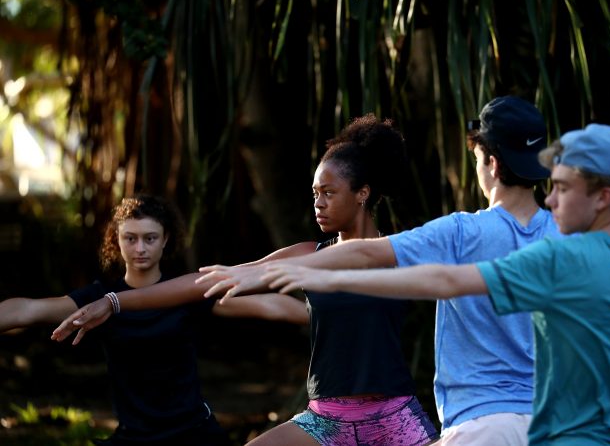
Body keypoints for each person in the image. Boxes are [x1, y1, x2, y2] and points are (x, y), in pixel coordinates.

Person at [260, 124, 610, 445]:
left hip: (490, 426)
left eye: (563, 188)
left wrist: (315, 273)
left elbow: (443, 278)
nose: (551, 198)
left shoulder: (511, 242)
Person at [53, 114, 440, 446]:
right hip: (326, 420)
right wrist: (115, 301)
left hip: (394, 417)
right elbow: (208, 283)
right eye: (314, 193)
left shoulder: (401, 252)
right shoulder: (309, 256)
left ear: (362, 194)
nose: (318, 203)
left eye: (329, 192)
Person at [194, 95, 560, 445]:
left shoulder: (460, 231)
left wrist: (297, 273)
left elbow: (370, 257)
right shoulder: (566, 237)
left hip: (475, 422)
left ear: (492, 164)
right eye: (315, 193)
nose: (319, 202)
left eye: (478, 158)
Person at [0, 194, 308, 446]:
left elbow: (271, 306)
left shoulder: (185, 293)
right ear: (116, 240)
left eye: (150, 238)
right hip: (135, 437)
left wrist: (327, 314)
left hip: (193, 434)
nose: (140, 248)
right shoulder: (99, 299)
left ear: (165, 239)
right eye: (130, 238)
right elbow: (28, 310)